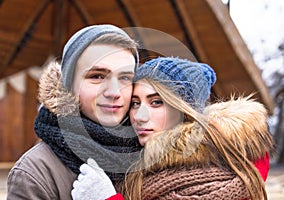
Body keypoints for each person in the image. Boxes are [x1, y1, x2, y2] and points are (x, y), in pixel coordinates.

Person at [72, 57, 273, 200]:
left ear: (185, 111)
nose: (139, 116)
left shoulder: (221, 174)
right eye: (135, 103)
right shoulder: (135, 164)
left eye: (157, 102)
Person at [7, 24, 141, 200]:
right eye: (97, 76)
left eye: (125, 78)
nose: (114, 92)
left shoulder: (151, 153)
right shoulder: (35, 173)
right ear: (68, 86)